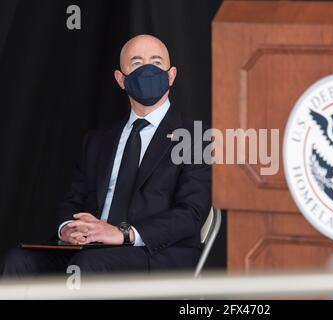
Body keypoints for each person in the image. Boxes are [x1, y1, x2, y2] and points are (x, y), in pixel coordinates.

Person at [1, 34, 211, 276]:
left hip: (154, 254)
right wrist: (68, 228)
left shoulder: (195, 136)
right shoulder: (98, 140)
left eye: (155, 63)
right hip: (90, 249)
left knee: (87, 267)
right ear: (121, 79)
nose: (146, 70)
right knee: (17, 261)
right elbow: (73, 199)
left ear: (171, 75)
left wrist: (124, 234)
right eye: (136, 63)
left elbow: (191, 213)